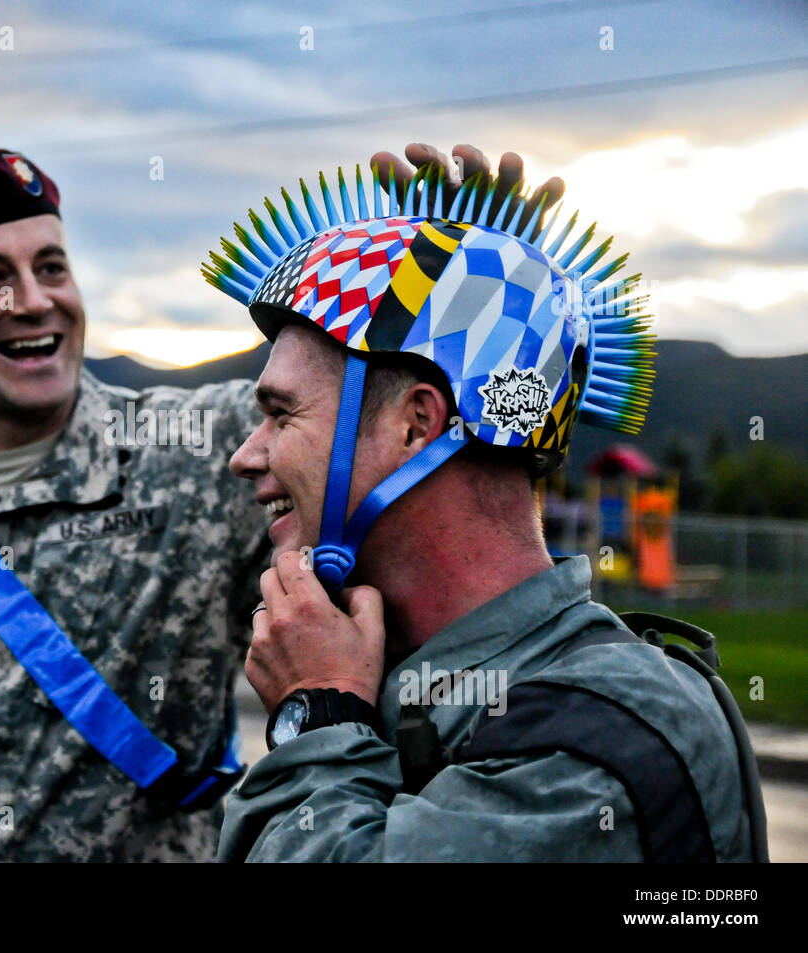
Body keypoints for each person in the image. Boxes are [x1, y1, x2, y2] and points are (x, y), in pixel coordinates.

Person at [0, 144, 560, 862]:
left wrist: (485, 303)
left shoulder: (206, 451)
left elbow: (429, 468)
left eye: (52, 265)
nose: (32, 301)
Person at [203, 161, 765, 862]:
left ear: (416, 426)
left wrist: (317, 718)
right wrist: (441, 266)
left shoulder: (603, 728)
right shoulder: (409, 675)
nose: (245, 455)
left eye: (280, 415)